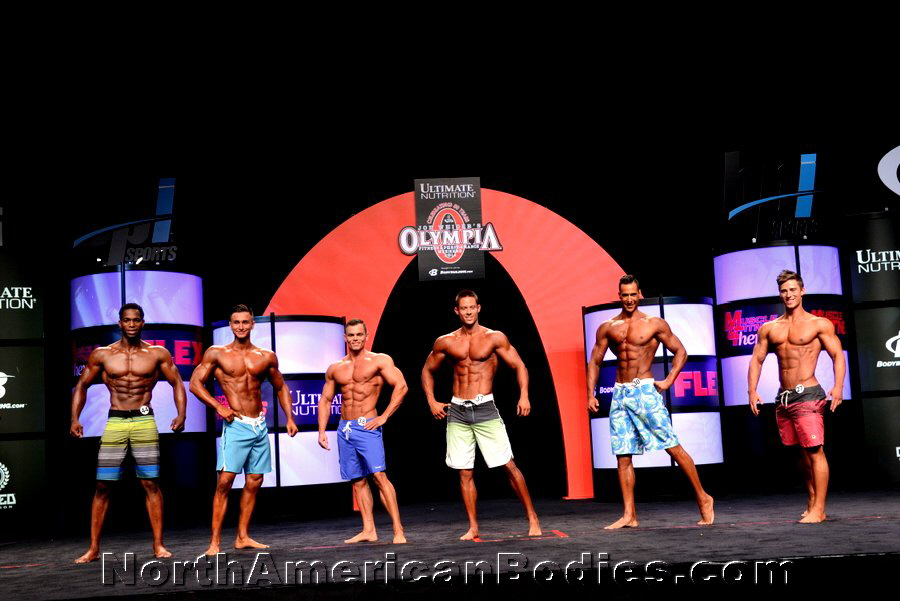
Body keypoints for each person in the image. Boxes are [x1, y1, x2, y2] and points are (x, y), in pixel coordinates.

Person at [587, 275, 714, 529]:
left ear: (639, 294)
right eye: (625, 295)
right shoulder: (607, 327)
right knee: (623, 455)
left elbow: (681, 351)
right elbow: (595, 361)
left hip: (644, 391)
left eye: (633, 294)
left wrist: (668, 381)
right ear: (619, 296)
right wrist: (590, 393)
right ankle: (629, 515)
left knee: (672, 447)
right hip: (620, 394)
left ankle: (703, 497)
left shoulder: (654, 323)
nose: (629, 299)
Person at [70, 303, 187, 563]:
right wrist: (75, 418)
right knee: (103, 484)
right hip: (116, 421)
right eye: (127, 320)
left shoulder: (157, 353)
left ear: (142, 323)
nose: (132, 324)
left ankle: (158, 545)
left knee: (150, 483)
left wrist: (181, 414)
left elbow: (177, 382)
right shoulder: (103, 354)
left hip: (144, 419)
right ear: (120, 323)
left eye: (136, 320)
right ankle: (93, 548)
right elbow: (82, 385)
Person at [422, 290, 541, 540]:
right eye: (463, 308)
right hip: (457, 411)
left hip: (485, 407)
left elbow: (519, 365)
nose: (468, 312)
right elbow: (427, 370)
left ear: (478, 308)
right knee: (464, 471)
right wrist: (431, 401)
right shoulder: (446, 341)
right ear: (457, 311)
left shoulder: (494, 338)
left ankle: (532, 517)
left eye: (471, 307)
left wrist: (524, 395)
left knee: (508, 464)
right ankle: (473, 526)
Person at [190, 304, 298, 555]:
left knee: (255, 480)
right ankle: (215, 543)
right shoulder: (217, 353)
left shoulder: (266, 356)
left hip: (259, 425)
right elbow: (195, 384)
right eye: (236, 322)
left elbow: (281, 386)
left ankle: (242, 536)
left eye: (245, 322)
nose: (241, 326)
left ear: (252, 324)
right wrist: (219, 406)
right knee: (225, 482)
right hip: (236, 425)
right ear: (231, 325)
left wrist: (290, 418)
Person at [748, 270, 844, 523]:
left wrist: (838, 386)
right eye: (784, 291)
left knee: (814, 451)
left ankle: (819, 509)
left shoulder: (819, 324)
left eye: (793, 290)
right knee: (800, 454)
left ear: (802, 291)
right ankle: (812, 499)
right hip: (784, 398)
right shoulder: (770, 328)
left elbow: (837, 354)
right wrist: (752, 391)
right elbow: (757, 359)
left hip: (809, 394)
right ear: (780, 294)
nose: (788, 294)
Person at [318, 319, 407, 544]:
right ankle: (369, 530)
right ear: (345, 338)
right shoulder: (335, 368)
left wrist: (384, 416)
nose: (355, 338)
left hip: (367, 425)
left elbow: (402, 386)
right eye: (351, 335)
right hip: (345, 428)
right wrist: (321, 431)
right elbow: (326, 400)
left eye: (359, 334)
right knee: (357, 480)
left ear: (366, 336)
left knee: (379, 477)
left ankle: (398, 530)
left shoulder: (379, 360)